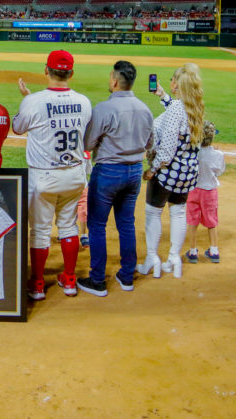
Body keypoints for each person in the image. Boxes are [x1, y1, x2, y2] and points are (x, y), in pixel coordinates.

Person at [12, 50, 92, 300]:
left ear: (46, 71)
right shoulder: (84, 101)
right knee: (68, 226)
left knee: (40, 230)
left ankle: (37, 284)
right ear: (71, 73)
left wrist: (28, 99)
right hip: (74, 175)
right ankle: (69, 280)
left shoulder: (33, 102)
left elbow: (18, 127)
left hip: (43, 177)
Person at [78, 61, 154, 297]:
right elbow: (150, 145)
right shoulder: (145, 109)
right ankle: (126, 275)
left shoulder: (103, 108)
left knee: (97, 226)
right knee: (126, 224)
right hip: (133, 173)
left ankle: (98, 280)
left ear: (115, 81)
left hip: (108, 172)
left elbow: (88, 144)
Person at [138, 63, 205, 279]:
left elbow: (166, 151)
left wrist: (152, 170)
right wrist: (163, 96)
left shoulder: (177, 108)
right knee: (178, 213)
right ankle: (174, 259)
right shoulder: (195, 106)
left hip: (167, 173)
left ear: (177, 84)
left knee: (153, 212)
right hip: (187, 175)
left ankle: (152, 259)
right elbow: (179, 115)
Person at [185, 120, 225, 264]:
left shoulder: (193, 153)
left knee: (192, 221)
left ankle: (193, 251)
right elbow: (219, 171)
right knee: (211, 221)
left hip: (193, 190)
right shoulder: (218, 154)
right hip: (209, 191)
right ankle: (214, 251)